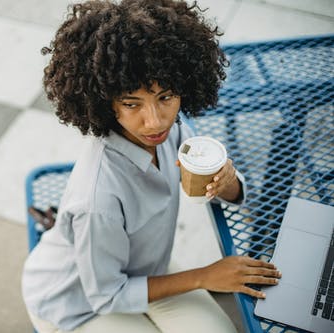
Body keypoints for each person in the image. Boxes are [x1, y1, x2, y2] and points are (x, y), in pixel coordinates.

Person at [22, 1, 281, 332]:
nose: (156, 121)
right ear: (104, 102)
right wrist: (205, 276)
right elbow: (106, 295)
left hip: (143, 267)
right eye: (132, 104)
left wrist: (227, 182)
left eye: (166, 97)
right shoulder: (97, 199)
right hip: (75, 302)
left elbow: (211, 190)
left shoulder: (171, 132)